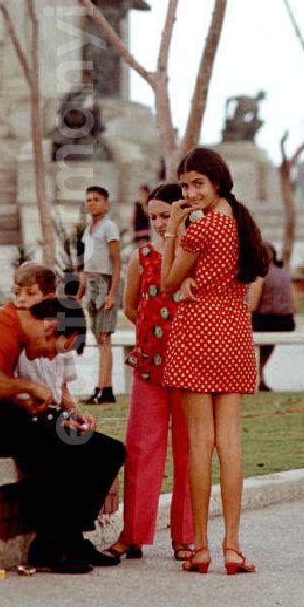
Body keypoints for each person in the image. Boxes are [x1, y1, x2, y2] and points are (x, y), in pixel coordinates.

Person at [0, 294, 125, 574]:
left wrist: (26, 404)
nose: (50, 356)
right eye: (53, 348)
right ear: (49, 328)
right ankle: (50, 544)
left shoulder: (12, 329)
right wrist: (31, 388)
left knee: (108, 451)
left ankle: (71, 537)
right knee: (55, 447)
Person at [161, 147, 270, 575]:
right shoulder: (242, 224)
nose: (190, 193)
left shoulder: (201, 228)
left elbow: (169, 283)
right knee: (231, 443)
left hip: (197, 330)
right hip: (234, 331)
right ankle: (233, 546)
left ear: (217, 182)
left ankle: (202, 546)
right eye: (185, 186)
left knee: (200, 444)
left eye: (197, 184)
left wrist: (173, 229)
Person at [109, 182, 194, 562]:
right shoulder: (141, 257)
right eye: (155, 217)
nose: (160, 223)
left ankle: (186, 537)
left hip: (193, 368)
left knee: (189, 453)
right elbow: (130, 308)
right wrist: (154, 331)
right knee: (142, 450)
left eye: (167, 215)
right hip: (148, 365)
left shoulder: (197, 256)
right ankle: (134, 534)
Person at [13, 262, 79, 410]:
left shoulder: (61, 336)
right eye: (17, 293)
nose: (21, 299)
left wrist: (76, 417)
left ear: (49, 298)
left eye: (30, 293)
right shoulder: (13, 339)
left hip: (53, 413)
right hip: (25, 412)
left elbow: (63, 389)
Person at [79, 186, 121, 405]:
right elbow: (86, 265)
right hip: (92, 284)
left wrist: (112, 293)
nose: (91, 203)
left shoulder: (109, 227)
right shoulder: (89, 230)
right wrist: (80, 292)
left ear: (106, 203)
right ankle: (101, 387)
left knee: (105, 337)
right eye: (88, 199)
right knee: (98, 338)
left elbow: (115, 262)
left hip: (105, 282)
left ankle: (105, 389)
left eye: (96, 199)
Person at [248, 243, 297, 391]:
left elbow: (253, 305)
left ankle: (256, 377)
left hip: (265, 322)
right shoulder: (285, 274)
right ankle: (260, 377)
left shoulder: (260, 276)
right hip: (286, 323)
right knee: (265, 347)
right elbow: (294, 305)